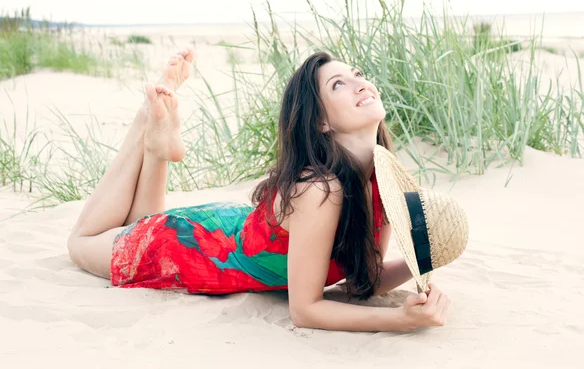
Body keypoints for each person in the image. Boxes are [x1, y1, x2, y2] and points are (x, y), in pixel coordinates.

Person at [67, 49, 451, 332]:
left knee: (139, 222)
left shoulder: (382, 184)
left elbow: (361, 279)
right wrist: (398, 319)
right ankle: (145, 123)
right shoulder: (318, 191)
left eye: (357, 73)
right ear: (319, 121)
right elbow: (306, 310)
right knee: (82, 241)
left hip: (226, 229)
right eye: (339, 84)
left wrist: (426, 257)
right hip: (189, 249)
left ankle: (158, 147)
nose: (361, 82)